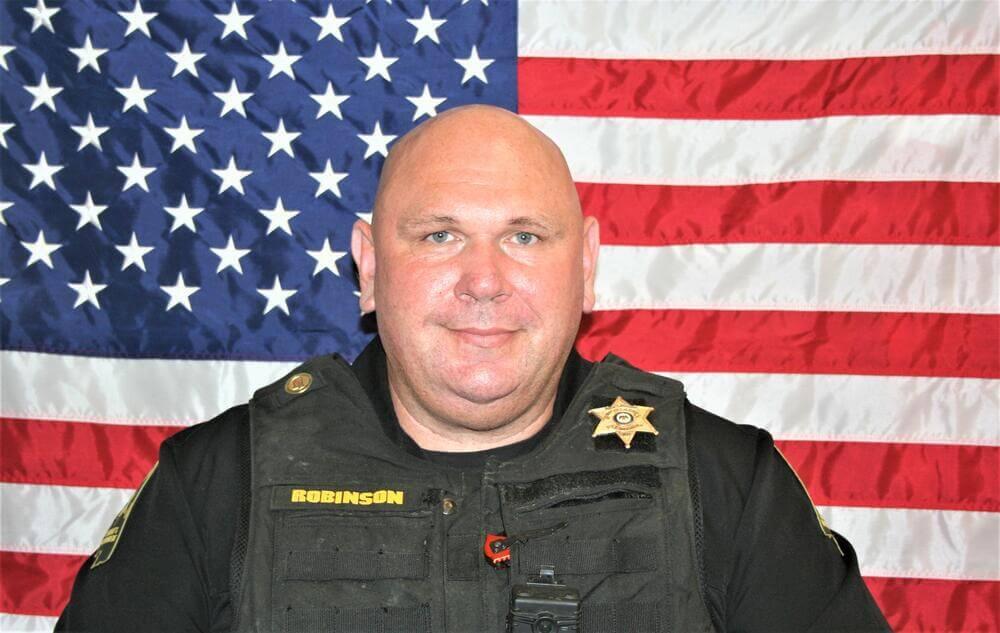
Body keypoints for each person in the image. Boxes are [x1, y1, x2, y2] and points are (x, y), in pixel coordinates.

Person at [56, 105, 891, 632]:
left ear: (588, 264)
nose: (485, 279)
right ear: (370, 265)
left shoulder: (722, 481)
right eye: (439, 234)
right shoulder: (219, 482)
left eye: (526, 235)